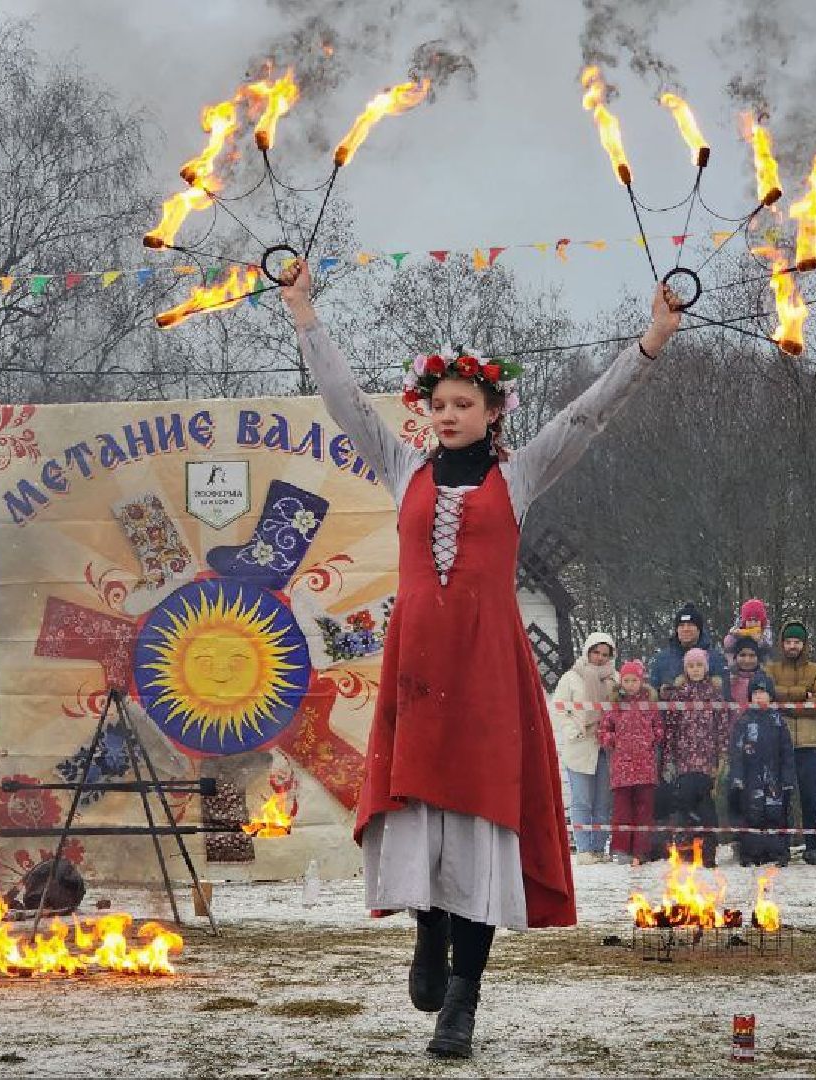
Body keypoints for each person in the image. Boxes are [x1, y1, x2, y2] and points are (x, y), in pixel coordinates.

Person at [282, 260, 677, 1060]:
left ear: (493, 411)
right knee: (421, 818)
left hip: (489, 680)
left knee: (480, 832)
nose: (449, 415)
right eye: (439, 405)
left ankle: (462, 1002)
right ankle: (427, 930)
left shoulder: (519, 475)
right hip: (418, 678)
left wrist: (653, 339)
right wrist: (302, 313)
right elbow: (343, 402)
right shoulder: (402, 471)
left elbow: (588, 416)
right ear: (423, 413)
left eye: (465, 404)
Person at [765, 620, 816, 865]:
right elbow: (767, 693)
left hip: (809, 744)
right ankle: (780, 848)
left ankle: (813, 848)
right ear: (782, 644)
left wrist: (787, 702)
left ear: (804, 644)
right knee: (780, 798)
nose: (792, 646)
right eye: (788, 642)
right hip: (779, 743)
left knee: (810, 798)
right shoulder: (771, 669)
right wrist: (802, 696)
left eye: (797, 642)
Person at [550, 632, 618, 864]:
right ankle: (584, 848)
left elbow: (622, 709)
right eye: (596, 652)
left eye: (605, 654)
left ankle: (599, 847)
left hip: (606, 747)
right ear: (588, 651)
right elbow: (558, 708)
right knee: (581, 800)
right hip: (580, 745)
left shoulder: (615, 678)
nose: (599, 658)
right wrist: (572, 730)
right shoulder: (571, 678)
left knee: (603, 802)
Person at [659, 647, 729, 866]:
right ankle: (685, 853)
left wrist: (723, 756)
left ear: (705, 668)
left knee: (707, 809)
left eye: (699, 665)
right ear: (685, 668)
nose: (695, 669)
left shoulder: (715, 694)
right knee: (684, 808)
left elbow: (723, 726)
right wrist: (669, 757)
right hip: (684, 762)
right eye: (691, 665)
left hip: (707, 763)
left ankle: (708, 854)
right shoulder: (678, 695)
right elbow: (670, 728)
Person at [597, 660, 661, 866]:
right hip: (622, 768)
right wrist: (612, 740)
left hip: (645, 767)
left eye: (634, 680)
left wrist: (652, 736)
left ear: (641, 681)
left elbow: (660, 728)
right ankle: (620, 848)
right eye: (627, 680)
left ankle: (642, 850)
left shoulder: (649, 704)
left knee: (644, 810)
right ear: (621, 681)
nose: (631, 684)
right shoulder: (615, 705)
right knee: (622, 810)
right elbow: (604, 730)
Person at [729, 674, 793, 867]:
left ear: (771, 696)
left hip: (774, 777)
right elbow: (736, 752)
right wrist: (737, 776)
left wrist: (788, 778)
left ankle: (777, 852)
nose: (759, 697)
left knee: (775, 814)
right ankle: (751, 853)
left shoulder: (778, 721)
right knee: (752, 815)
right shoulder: (744, 721)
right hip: (751, 778)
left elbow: (787, 752)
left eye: (763, 693)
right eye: (755, 693)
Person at [648, 604, 723, 688]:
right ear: (676, 630)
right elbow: (653, 691)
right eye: (681, 625)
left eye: (690, 625)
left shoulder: (715, 658)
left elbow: (725, 692)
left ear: (699, 630)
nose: (686, 629)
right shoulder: (661, 659)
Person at [723, 598, 772, 663]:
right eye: (749, 620)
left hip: (758, 657)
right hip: (741, 657)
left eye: (756, 620)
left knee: (766, 656)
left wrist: (760, 641)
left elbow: (769, 645)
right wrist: (735, 635)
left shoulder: (765, 629)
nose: (753, 624)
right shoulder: (739, 626)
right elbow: (727, 643)